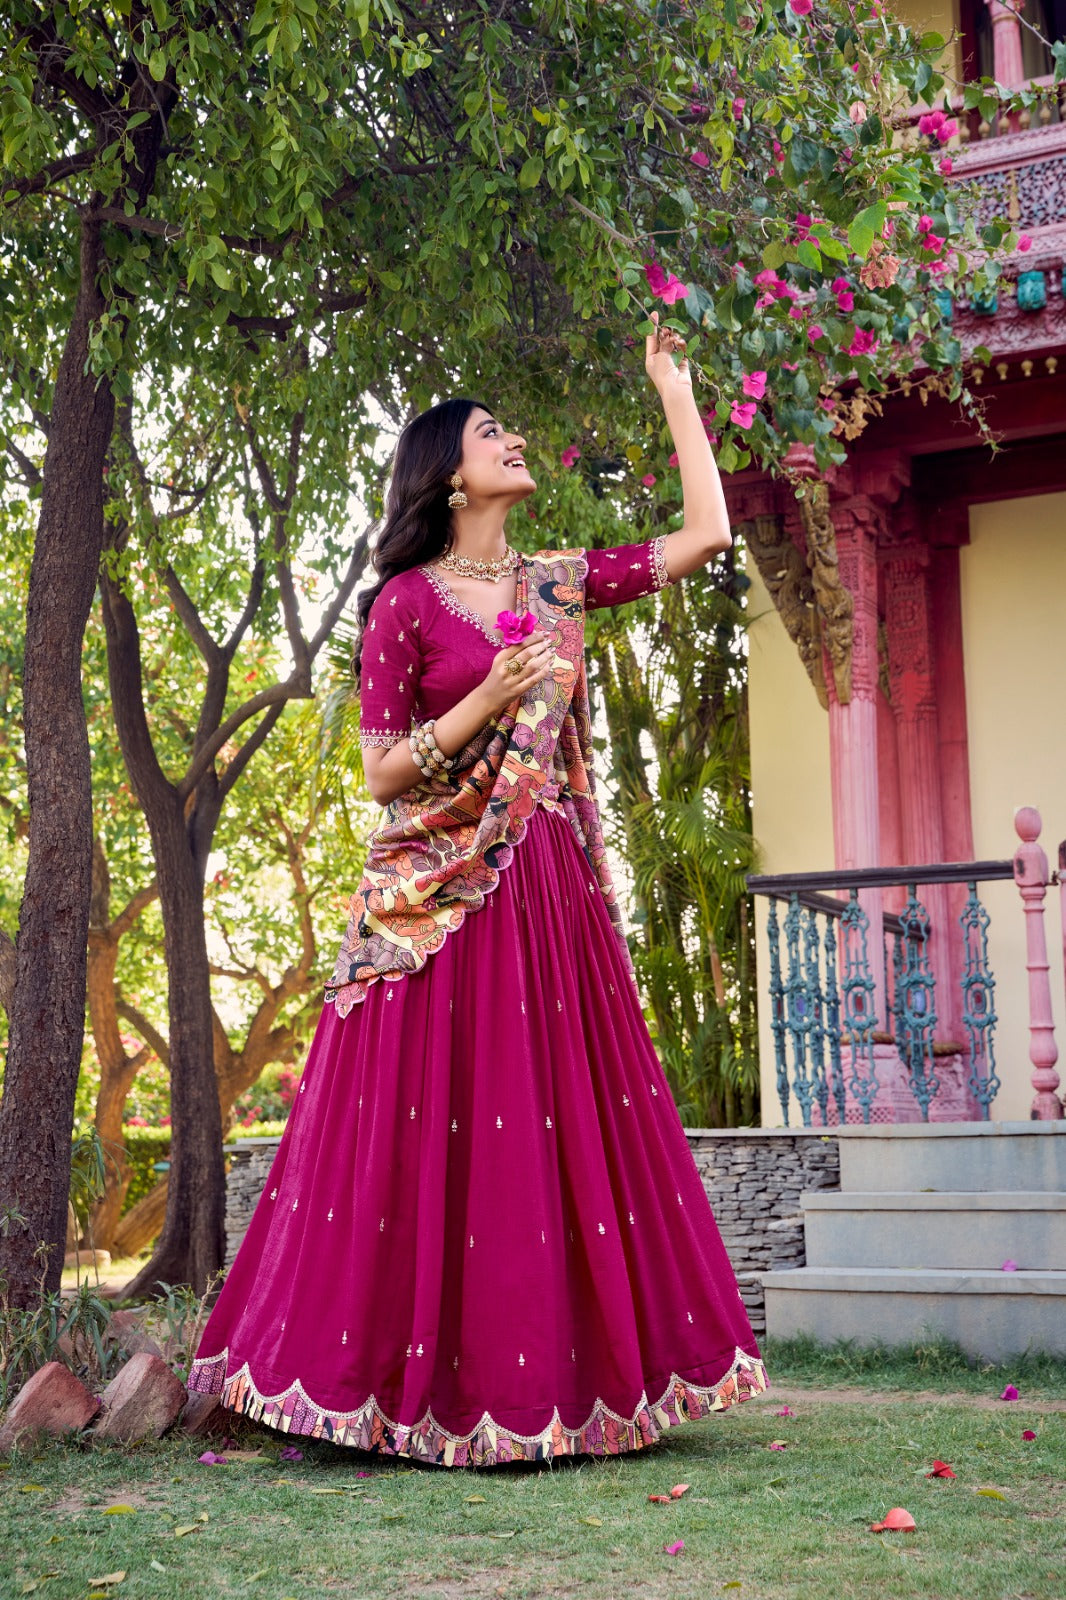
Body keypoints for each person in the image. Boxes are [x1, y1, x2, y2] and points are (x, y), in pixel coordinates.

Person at [188, 315, 768, 1466]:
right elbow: (381, 769)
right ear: (448, 475)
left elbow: (705, 531)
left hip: (541, 880)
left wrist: (675, 388)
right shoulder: (403, 602)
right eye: (490, 432)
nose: (512, 442)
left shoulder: (556, 582)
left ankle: (573, 1385)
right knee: (426, 1126)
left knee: (547, 1124)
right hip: (437, 889)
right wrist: (486, 697)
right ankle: (391, 1391)